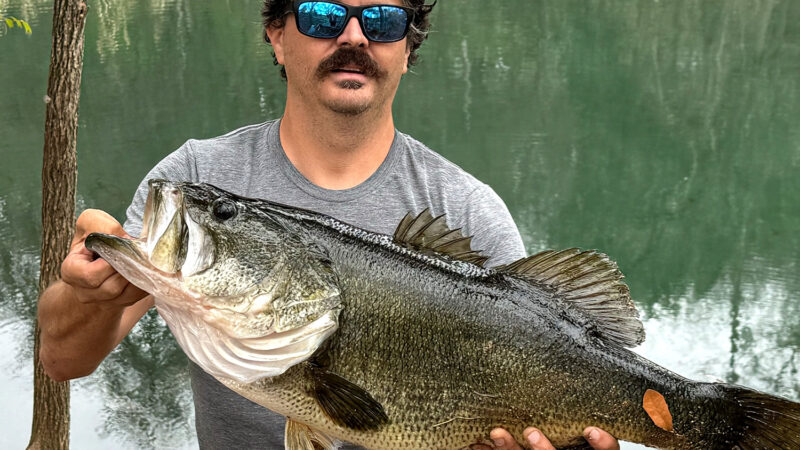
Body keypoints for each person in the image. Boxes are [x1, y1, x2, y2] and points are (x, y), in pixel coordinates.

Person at [37, 1, 620, 449]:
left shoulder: (467, 211)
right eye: (323, 15)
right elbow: (63, 361)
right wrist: (91, 297)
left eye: (384, 20)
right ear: (277, 34)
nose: (354, 37)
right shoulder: (197, 178)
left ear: (407, 48)